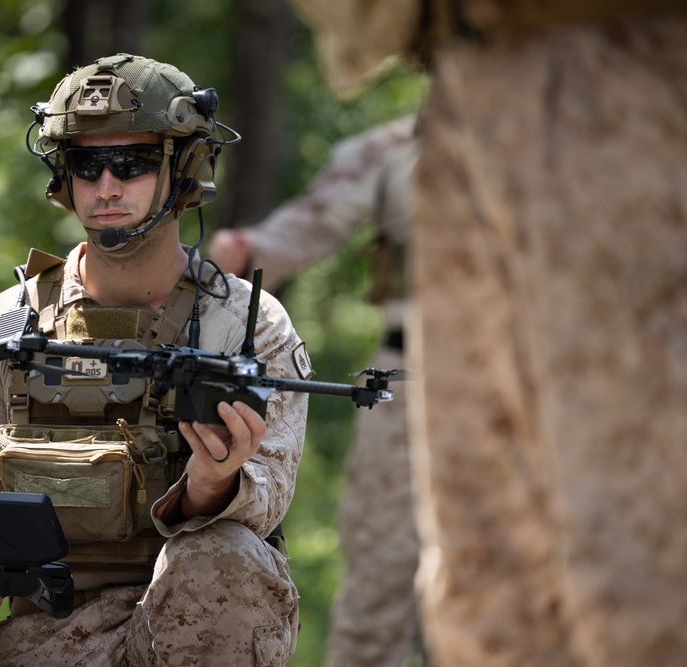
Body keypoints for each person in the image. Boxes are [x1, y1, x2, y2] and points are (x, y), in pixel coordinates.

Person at [289, 1, 687, 665]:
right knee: (490, 594)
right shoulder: (392, 149)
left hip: (616, 65)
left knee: (639, 565)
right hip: (462, 74)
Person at [0, 53, 311, 666]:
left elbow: (266, 500)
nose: (107, 186)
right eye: (87, 165)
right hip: (49, 631)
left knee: (226, 555)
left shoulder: (244, 326)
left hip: (192, 624)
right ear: (63, 178)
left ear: (185, 169)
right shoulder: (6, 325)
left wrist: (209, 485)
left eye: (133, 162)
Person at [208, 115, 422, 667]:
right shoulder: (400, 145)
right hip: (419, 380)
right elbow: (313, 220)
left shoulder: (582, 127)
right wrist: (246, 252)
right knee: (382, 569)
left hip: (546, 387)